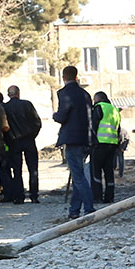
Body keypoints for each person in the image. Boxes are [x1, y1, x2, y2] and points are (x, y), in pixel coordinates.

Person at [53, 65, 94, 218]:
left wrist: (55, 115)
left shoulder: (65, 94)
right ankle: (74, 210)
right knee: (79, 175)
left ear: (64, 77)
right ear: (76, 76)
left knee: (78, 177)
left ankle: (89, 209)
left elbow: (62, 116)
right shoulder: (85, 94)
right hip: (86, 138)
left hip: (72, 139)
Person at [4, 85, 42, 203]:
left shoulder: (5, 107)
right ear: (18, 93)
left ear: (8, 94)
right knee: (33, 169)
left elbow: (4, 126)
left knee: (17, 170)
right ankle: (34, 195)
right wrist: (32, 135)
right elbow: (37, 122)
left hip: (14, 142)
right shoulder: (27, 104)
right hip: (29, 140)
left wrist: (9, 138)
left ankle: (19, 196)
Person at [89, 91, 121, 204]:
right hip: (112, 144)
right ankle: (109, 197)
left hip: (99, 144)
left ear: (97, 99)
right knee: (109, 172)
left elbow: (93, 126)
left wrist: (92, 141)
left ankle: (97, 197)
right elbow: (118, 129)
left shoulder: (99, 107)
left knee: (96, 172)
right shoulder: (114, 110)